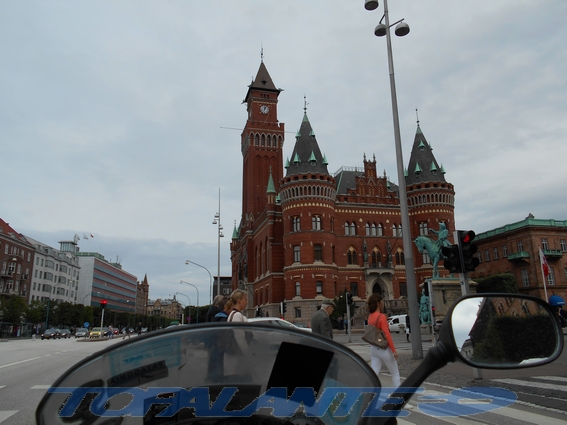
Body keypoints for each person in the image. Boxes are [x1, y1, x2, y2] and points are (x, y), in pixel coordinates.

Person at [366, 293, 400, 387]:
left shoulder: (370, 316)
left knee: (373, 375)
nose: (382, 304)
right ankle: (399, 396)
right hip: (383, 348)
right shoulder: (381, 317)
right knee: (395, 374)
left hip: (373, 348)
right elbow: (387, 335)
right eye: (381, 302)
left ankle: (368, 394)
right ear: (378, 303)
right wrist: (393, 351)